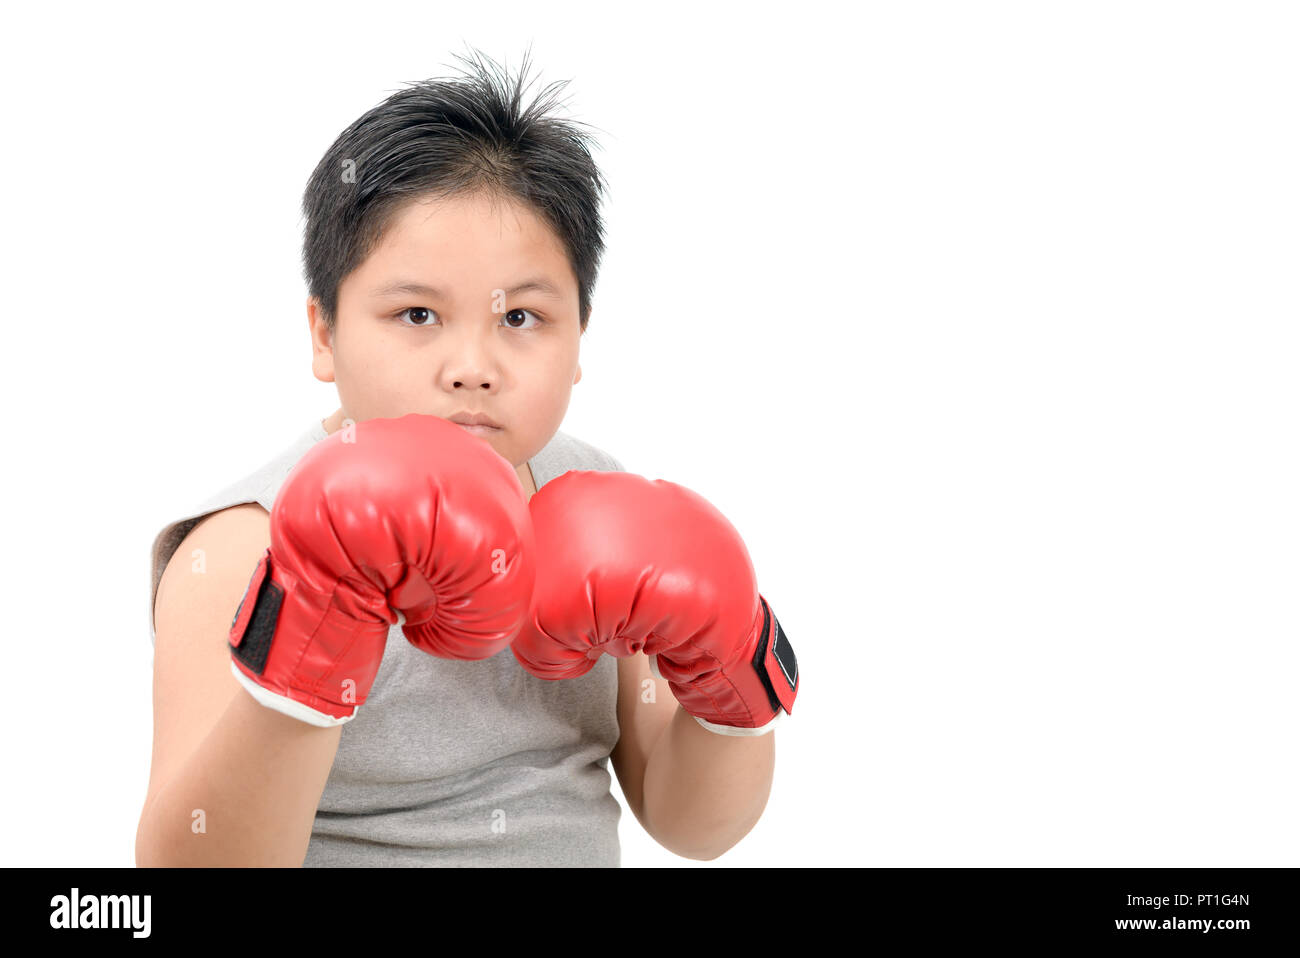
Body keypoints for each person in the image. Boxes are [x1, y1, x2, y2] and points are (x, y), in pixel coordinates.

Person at [135, 48, 793, 868]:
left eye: (520, 317)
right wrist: (310, 644)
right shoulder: (241, 547)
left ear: (579, 340)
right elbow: (183, 863)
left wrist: (730, 669)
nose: (471, 365)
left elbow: (693, 824)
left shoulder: (603, 507)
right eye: (416, 314)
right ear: (324, 335)